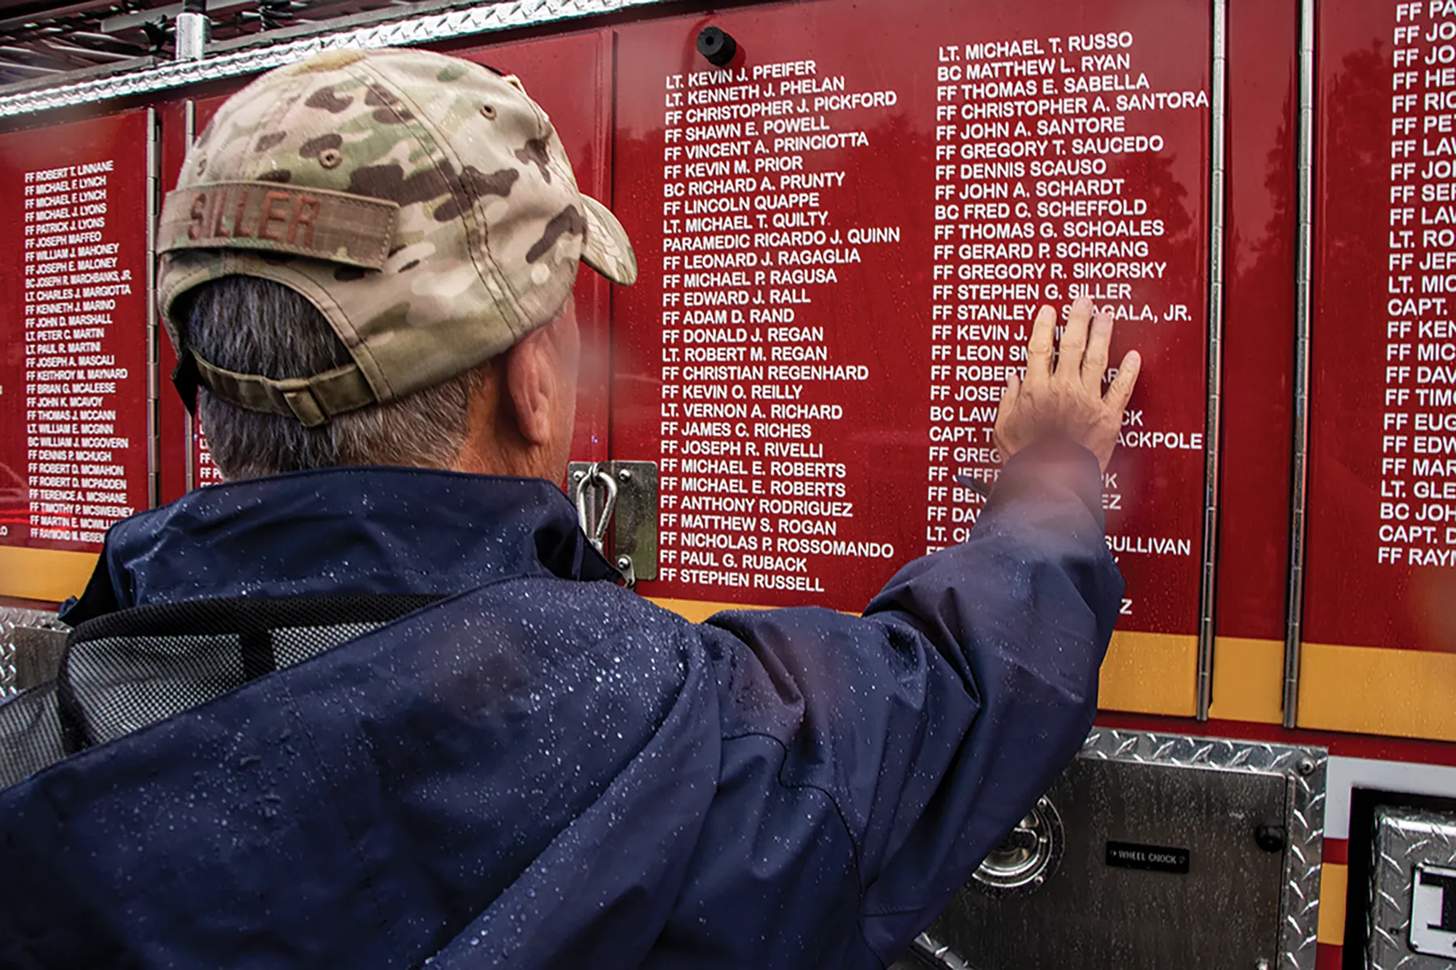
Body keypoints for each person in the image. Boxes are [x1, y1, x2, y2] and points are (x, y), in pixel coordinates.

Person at [0, 48, 1140, 969]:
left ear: (200, 386)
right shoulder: (653, 735)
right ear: (530, 381)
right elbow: (952, 691)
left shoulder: (41, 753)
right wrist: (1048, 474)